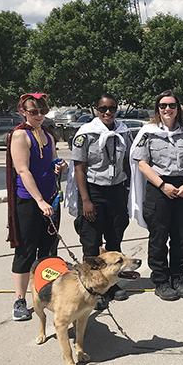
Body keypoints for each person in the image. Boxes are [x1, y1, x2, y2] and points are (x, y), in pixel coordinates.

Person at [129, 90, 183, 301]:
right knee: (159, 237)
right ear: (157, 109)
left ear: (178, 108)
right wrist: (162, 185)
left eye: (172, 105)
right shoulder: (149, 132)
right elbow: (142, 163)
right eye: (163, 106)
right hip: (159, 187)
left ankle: (177, 277)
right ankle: (160, 280)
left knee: (180, 236)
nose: (167, 109)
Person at [66, 94, 132, 310]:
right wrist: (85, 200)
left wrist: (128, 191)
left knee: (115, 239)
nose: (108, 112)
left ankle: (111, 284)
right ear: (96, 109)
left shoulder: (123, 132)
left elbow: (128, 162)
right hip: (93, 191)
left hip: (116, 191)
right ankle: (92, 288)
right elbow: (79, 168)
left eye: (112, 108)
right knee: (91, 243)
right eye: (103, 108)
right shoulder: (85, 134)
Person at [6, 93, 66, 321]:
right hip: (29, 202)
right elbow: (23, 170)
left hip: (50, 199)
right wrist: (40, 201)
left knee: (49, 250)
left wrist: (58, 166)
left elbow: (51, 161)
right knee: (26, 251)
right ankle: (20, 299)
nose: (39, 116)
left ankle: (46, 293)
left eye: (43, 111)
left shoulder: (47, 134)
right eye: (34, 112)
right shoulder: (20, 135)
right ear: (23, 112)